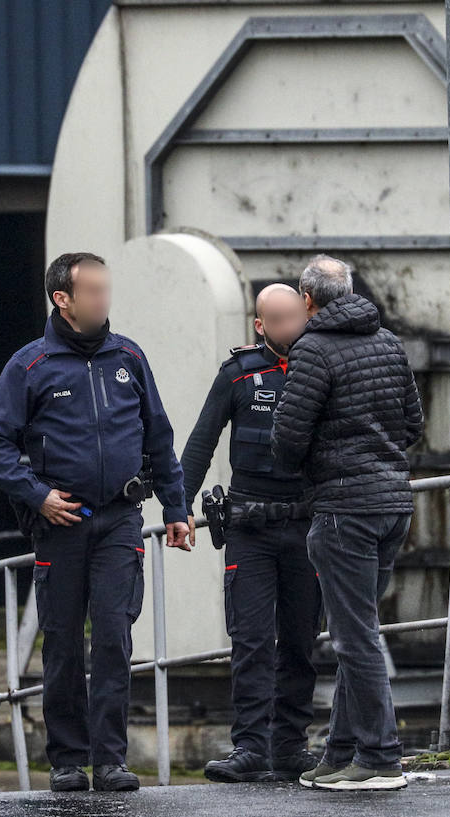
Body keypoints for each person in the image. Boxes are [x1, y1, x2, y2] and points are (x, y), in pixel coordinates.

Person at [0, 251, 191, 793]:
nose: (103, 299)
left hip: (121, 520)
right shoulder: (29, 366)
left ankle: (111, 760)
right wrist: (38, 494)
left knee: (115, 640)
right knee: (65, 644)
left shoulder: (129, 356)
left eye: (105, 289)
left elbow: (159, 436)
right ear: (63, 300)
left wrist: (175, 508)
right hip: (62, 522)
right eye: (92, 291)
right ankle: (68, 759)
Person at [271, 254, 424, 792]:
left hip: (343, 509)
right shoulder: (386, 340)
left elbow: (288, 439)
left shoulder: (311, 348)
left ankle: (381, 756)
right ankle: (340, 754)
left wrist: (310, 465)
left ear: (307, 300)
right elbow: (413, 422)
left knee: (354, 637)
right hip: (392, 505)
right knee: (357, 628)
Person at [179, 284, 322, 783]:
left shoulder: (322, 368)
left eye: (296, 319)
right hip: (249, 528)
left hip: (307, 524)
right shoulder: (239, 374)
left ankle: (290, 747)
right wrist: (178, 506)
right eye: (278, 321)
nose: (291, 329)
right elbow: (200, 441)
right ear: (260, 325)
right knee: (252, 642)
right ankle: (249, 748)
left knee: (302, 643)